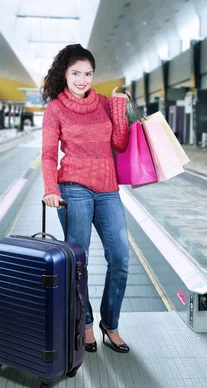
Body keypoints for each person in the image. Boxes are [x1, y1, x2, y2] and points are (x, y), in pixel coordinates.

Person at [41, 44, 131, 354]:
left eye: (88, 74)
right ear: (64, 74)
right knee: (79, 263)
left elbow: (119, 142)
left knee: (120, 258)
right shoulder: (55, 109)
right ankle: (86, 322)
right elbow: (49, 154)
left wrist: (119, 107)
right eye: (76, 73)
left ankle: (111, 323)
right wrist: (50, 188)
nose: (82, 79)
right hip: (73, 189)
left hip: (108, 189)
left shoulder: (104, 103)